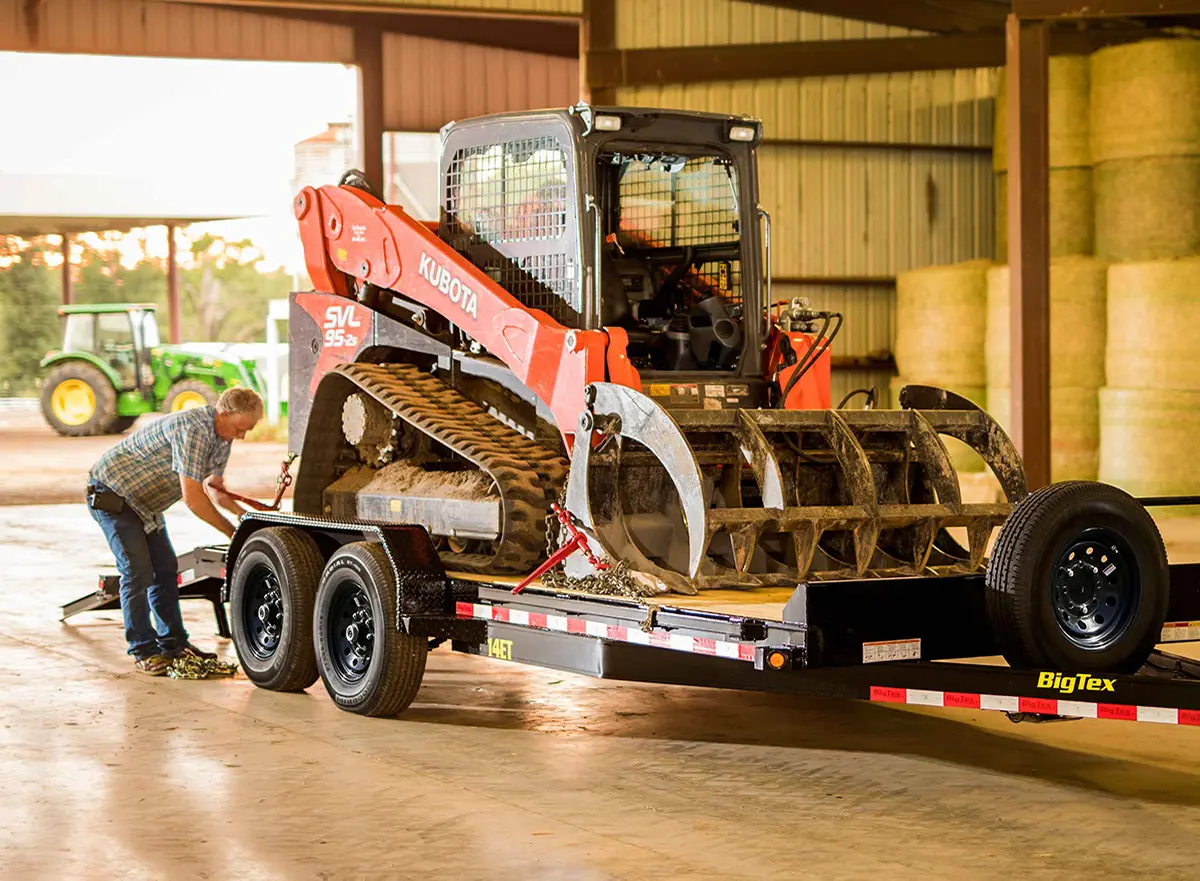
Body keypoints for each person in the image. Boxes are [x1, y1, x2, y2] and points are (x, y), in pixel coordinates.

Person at [86, 387, 264, 675]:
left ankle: (173, 644)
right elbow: (193, 498)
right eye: (240, 428)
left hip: (144, 505)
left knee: (166, 569)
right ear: (224, 413)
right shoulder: (194, 428)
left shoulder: (223, 436)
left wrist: (247, 516)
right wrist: (234, 534)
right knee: (137, 570)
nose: (242, 436)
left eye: (248, 430)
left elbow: (214, 488)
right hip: (113, 495)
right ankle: (143, 649)